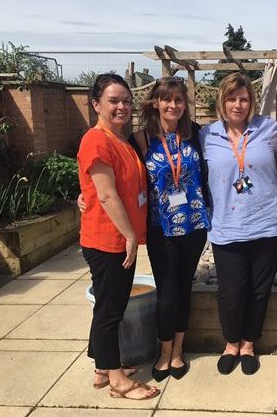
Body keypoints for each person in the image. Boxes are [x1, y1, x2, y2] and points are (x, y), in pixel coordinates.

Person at [78, 73, 159, 400]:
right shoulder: (96, 140)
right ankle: (117, 381)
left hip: (117, 237)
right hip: (108, 239)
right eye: (114, 101)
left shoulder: (119, 140)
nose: (122, 106)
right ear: (97, 104)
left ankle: (101, 369)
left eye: (126, 100)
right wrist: (128, 235)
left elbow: (97, 189)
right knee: (111, 310)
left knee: (108, 306)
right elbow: (107, 195)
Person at [199, 72, 277, 376]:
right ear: (222, 101)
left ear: (252, 102)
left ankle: (248, 344)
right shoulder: (206, 136)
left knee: (259, 291)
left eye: (244, 98)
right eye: (232, 98)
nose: (238, 104)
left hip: (267, 224)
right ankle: (230, 343)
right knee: (231, 291)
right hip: (226, 226)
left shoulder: (270, 129)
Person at [129, 77, 209, 381]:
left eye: (178, 100)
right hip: (160, 228)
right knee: (167, 289)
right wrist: (87, 195)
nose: (173, 105)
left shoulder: (197, 135)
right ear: (155, 103)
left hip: (194, 225)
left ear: (185, 105)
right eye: (167, 100)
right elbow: (120, 174)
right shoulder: (140, 140)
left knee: (183, 286)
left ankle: (178, 350)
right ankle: (164, 351)